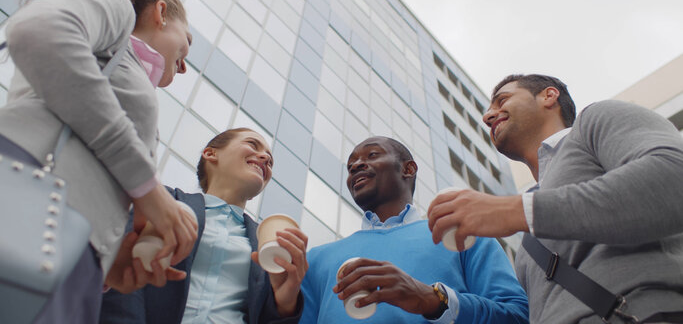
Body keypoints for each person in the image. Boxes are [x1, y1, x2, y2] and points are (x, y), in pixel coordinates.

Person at [0, 0, 197, 322]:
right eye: (187, 43)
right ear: (161, 13)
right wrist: (149, 190)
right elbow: (38, 30)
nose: (184, 68)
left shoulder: (129, 75)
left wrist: (111, 264)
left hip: (65, 260)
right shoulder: (117, 10)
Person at [428, 74, 683, 322]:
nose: (487, 116)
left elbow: (674, 178)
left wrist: (516, 211)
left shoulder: (595, 119)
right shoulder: (528, 238)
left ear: (549, 96)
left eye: (502, 100)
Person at [300, 136, 529, 323]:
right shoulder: (315, 260)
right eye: (350, 166)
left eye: (372, 155)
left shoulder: (462, 235)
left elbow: (518, 317)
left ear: (408, 169)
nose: (356, 166)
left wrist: (434, 300)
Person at [100, 127, 308, 324]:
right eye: (253, 145)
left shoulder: (266, 242)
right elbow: (122, 277)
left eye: (270, 161)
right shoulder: (164, 202)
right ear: (210, 154)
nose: (265, 158)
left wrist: (285, 303)